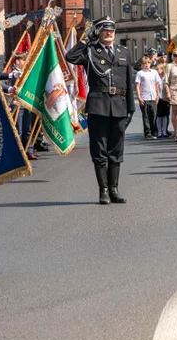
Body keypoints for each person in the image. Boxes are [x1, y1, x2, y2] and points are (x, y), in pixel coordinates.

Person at [65, 17, 135, 205]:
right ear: (98, 32)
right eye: (104, 29)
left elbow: (128, 82)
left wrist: (131, 109)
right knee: (99, 149)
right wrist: (87, 39)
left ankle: (114, 189)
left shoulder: (123, 53)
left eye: (112, 29)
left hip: (119, 105)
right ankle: (103, 190)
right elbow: (70, 57)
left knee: (116, 149)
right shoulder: (90, 51)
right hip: (98, 106)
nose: (109, 32)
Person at [134, 56, 160, 139]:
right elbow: (137, 86)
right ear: (142, 65)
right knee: (146, 116)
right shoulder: (140, 73)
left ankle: (154, 131)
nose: (147, 65)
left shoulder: (154, 72)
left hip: (153, 96)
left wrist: (158, 95)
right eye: (145, 63)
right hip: (144, 97)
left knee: (154, 115)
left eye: (148, 63)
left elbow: (157, 84)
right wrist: (139, 97)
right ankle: (147, 132)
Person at [155, 61, 170, 137]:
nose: (157, 71)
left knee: (165, 115)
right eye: (157, 69)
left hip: (165, 98)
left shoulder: (166, 78)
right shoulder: (156, 77)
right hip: (158, 98)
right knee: (158, 116)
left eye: (159, 69)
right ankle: (159, 132)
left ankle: (164, 131)